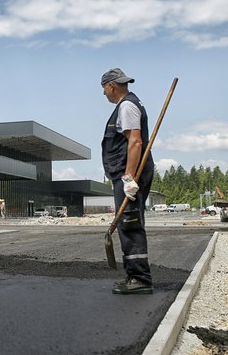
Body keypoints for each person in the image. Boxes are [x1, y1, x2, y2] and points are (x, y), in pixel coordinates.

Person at [100, 68, 154, 295]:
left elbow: (135, 142)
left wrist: (129, 178)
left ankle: (140, 279)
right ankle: (134, 276)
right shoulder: (128, 104)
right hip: (127, 173)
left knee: (130, 224)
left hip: (130, 174)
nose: (104, 94)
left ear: (111, 86)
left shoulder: (126, 106)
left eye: (104, 89)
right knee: (127, 222)